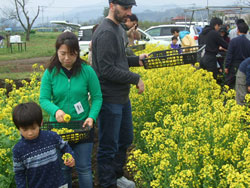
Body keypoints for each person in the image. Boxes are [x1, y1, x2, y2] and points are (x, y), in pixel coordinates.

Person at [91, 0, 147, 187]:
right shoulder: (106, 32)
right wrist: (135, 78)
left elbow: (120, 59)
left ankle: (116, 176)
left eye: (130, 9)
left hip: (121, 98)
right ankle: (107, 183)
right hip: (109, 99)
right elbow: (107, 70)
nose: (128, 13)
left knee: (125, 139)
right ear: (112, 5)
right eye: (125, 8)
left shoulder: (119, 29)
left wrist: (136, 59)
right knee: (108, 146)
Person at [39, 31, 102, 188]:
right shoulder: (51, 73)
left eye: (72, 54)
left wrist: (92, 117)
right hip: (59, 130)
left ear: (77, 53)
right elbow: (44, 99)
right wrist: (56, 111)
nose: (67, 58)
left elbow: (97, 97)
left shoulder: (87, 71)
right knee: (63, 168)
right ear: (57, 51)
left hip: (82, 126)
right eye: (63, 53)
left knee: (84, 168)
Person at [12, 102, 75, 188]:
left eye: (33, 128)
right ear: (18, 127)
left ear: (41, 123)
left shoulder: (51, 136)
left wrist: (71, 157)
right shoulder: (18, 149)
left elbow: (65, 147)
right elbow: (19, 173)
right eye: (25, 130)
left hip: (59, 184)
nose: (30, 133)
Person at [225, 22, 250, 89]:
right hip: (245, 66)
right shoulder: (248, 42)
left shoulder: (233, 41)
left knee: (229, 84)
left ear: (238, 30)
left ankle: (229, 97)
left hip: (234, 65)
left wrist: (227, 66)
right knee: (242, 85)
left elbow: (229, 54)